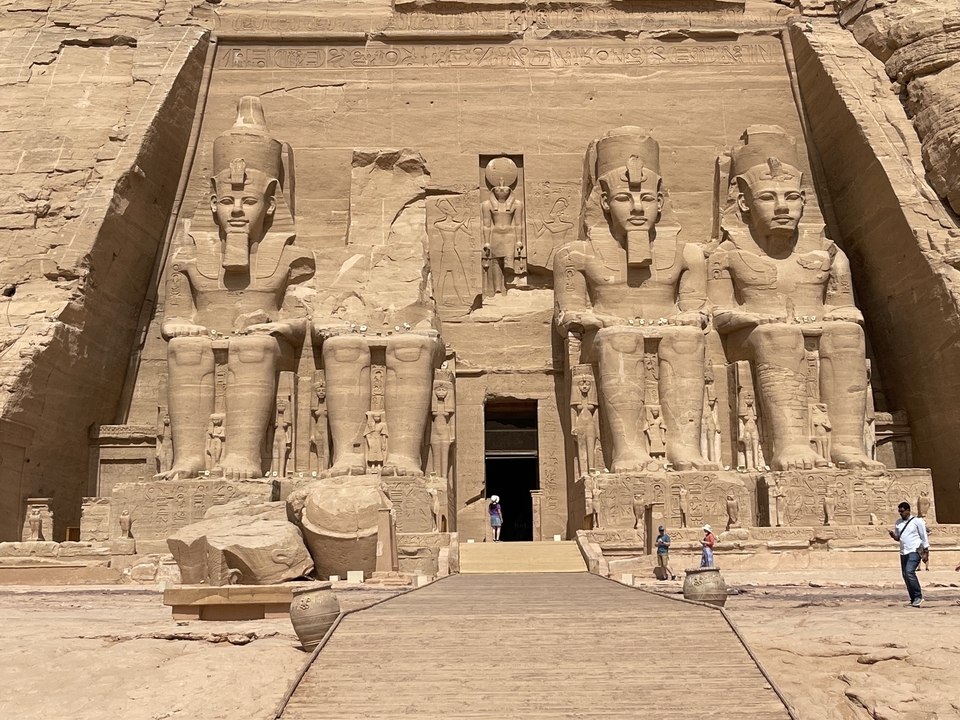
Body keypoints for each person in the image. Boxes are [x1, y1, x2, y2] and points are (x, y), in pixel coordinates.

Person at [889, 501, 929, 607]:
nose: (900, 513)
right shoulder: (898, 523)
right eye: (899, 511)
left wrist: (926, 552)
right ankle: (913, 599)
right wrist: (893, 536)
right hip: (903, 551)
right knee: (905, 575)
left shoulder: (917, 521)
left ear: (908, 510)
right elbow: (899, 538)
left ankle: (918, 596)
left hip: (915, 550)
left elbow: (924, 536)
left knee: (909, 572)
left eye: (902, 511)